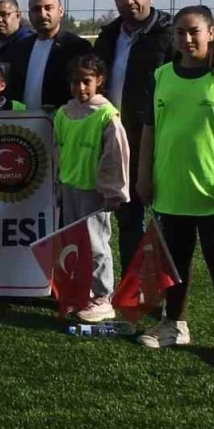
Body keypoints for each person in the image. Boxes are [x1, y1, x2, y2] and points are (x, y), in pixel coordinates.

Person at [136, 5, 214, 374]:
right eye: (179, 32)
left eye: (194, 31)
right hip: (171, 187)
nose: (186, 39)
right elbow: (150, 130)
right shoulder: (161, 76)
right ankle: (175, 324)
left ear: (211, 33)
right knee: (175, 261)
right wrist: (144, 176)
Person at [92, 0, 175, 273]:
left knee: (168, 222)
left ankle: (167, 290)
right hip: (118, 142)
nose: (129, 0)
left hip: (160, 142)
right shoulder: (108, 36)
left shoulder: (170, 36)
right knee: (128, 220)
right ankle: (133, 286)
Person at [54, 54, 130, 324]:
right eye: (76, 82)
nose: (81, 87)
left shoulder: (107, 115)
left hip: (94, 193)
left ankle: (102, 297)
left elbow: (116, 156)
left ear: (100, 81)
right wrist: (58, 182)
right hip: (70, 188)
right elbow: (58, 149)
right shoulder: (64, 113)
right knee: (74, 243)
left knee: (96, 244)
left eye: (87, 81)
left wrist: (112, 191)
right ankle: (81, 291)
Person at [4, 0, 92, 111]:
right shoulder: (19, 48)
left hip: (62, 120)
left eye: (48, 8)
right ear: (29, 15)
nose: (42, 14)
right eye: (36, 9)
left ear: (60, 11)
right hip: (22, 121)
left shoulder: (77, 47)